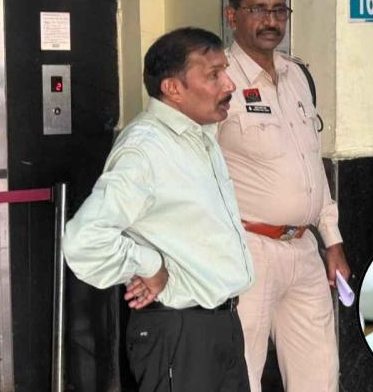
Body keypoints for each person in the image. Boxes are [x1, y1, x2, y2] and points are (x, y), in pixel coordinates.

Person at [63, 27, 254, 391]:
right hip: (179, 332)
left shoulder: (200, 136)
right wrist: (148, 264)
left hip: (221, 325)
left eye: (225, 72)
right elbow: (84, 238)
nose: (229, 85)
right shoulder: (145, 149)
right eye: (214, 75)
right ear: (173, 88)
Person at [217, 0, 350, 392]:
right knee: (242, 374)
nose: (271, 20)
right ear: (232, 15)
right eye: (258, 9)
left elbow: (312, 165)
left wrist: (332, 241)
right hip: (249, 251)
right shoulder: (217, 80)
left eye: (279, 10)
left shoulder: (298, 77)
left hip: (304, 247)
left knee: (320, 374)